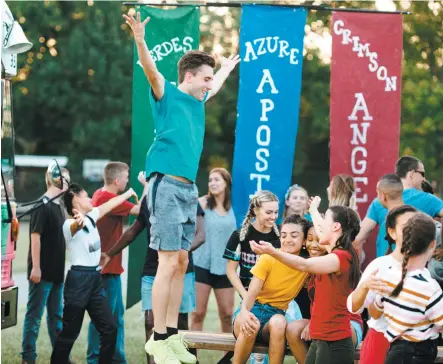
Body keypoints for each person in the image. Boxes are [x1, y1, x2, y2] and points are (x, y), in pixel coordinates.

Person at [123, 10, 239, 364]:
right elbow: (151, 70)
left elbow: (214, 86)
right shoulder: (168, 94)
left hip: (188, 189)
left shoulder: (198, 99)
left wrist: (224, 70)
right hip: (166, 186)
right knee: (167, 261)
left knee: (182, 261)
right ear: (189, 76)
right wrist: (141, 40)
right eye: (204, 78)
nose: (208, 84)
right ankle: (158, 337)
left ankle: (172, 334)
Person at [251, 202, 361, 364]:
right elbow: (323, 233)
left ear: (336, 227)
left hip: (334, 342)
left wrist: (273, 252)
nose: (320, 227)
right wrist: (314, 211)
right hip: (321, 339)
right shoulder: (336, 253)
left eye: (325, 222)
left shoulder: (342, 257)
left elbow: (305, 265)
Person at [101, 194, 205, 364]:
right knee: (151, 322)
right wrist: (109, 254)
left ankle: (187, 361)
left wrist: (180, 253)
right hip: (153, 268)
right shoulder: (150, 199)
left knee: (180, 322)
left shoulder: (187, 194)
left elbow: (201, 235)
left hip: (180, 269)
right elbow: (134, 230)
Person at [50, 184, 137, 364]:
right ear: (75, 198)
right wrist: (78, 221)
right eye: (87, 196)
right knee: (69, 333)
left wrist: (128, 192)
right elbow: (75, 226)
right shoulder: (68, 224)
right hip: (78, 281)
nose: (91, 199)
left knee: (110, 328)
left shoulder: (91, 216)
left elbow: (110, 204)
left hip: (95, 280)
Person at [232, 215, 311, 364]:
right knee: (251, 325)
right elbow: (252, 292)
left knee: (279, 322)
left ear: (304, 240)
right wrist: (244, 313)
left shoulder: (306, 266)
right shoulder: (269, 258)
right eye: (283, 235)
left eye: (294, 235)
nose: (288, 240)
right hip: (252, 308)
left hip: (275, 316)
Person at [87, 162, 144, 364]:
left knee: (117, 317)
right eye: (127, 177)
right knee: (102, 319)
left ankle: (118, 359)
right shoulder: (108, 198)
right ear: (117, 180)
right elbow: (141, 211)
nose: (128, 180)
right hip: (105, 270)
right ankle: (94, 359)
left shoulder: (100, 194)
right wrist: (145, 186)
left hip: (112, 269)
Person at [368, 213, 443, 364]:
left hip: (395, 352)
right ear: (432, 244)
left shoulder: (389, 275)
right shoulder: (429, 287)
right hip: (418, 354)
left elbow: (374, 313)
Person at [346, 205, 417, 364]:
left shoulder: (427, 264)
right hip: (381, 341)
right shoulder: (380, 265)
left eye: (417, 225)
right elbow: (353, 306)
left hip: (416, 345)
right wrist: (364, 287)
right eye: (406, 226)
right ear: (392, 232)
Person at [286, 225, 364, 364]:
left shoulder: (336, 261)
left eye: (319, 239)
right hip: (320, 321)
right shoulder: (308, 265)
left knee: (327, 336)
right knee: (293, 329)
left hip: (346, 322)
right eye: (310, 239)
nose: (314, 245)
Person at [224, 190, 280, 364]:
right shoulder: (240, 235)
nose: (273, 217)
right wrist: (245, 295)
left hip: (274, 301)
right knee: (249, 327)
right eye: (268, 212)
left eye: (276, 212)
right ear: (256, 210)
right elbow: (230, 271)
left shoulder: (279, 239)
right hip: (249, 300)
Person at [21, 167, 71, 364]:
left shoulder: (58, 206)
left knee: (56, 317)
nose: (68, 185)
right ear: (57, 180)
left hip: (57, 272)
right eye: (66, 180)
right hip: (41, 273)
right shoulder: (42, 205)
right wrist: (36, 267)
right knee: (34, 318)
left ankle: (59, 358)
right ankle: (28, 358)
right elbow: (35, 237)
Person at [356, 156, 443, 259]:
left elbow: (359, 237)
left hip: (384, 268)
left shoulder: (379, 201)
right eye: (422, 174)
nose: (423, 179)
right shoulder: (428, 199)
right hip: (414, 268)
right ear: (411, 174)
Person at [191, 168, 236, 334]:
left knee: (227, 314)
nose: (213, 183)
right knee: (197, 314)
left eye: (217, 179)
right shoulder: (202, 203)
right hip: (201, 264)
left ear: (226, 183)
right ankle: (192, 359)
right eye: (210, 180)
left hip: (225, 266)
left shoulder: (235, 208)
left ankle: (228, 359)